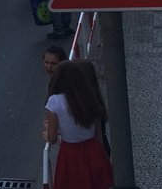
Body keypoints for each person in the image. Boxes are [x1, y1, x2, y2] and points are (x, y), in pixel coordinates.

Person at [44, 60, 114, 189]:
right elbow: (98, 135)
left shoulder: (54, 101)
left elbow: (52, 138)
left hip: (70, 155)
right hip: (94, 151)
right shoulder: (90, 98)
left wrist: (47, 133)